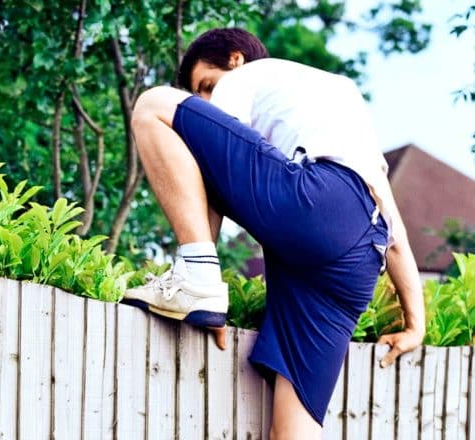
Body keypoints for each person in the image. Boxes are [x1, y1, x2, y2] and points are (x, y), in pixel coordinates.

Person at [122, 28, 425, 438]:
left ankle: (196, 273)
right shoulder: (345, 119)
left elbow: (208, 169)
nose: (207, 101)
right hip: (357, 258)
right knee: (292, 432)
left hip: (315, 203)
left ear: (234, 59)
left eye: (206, 86)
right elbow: (395, 236)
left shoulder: (249, 76)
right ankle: (199, 275)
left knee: (153, 105)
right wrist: (415, 323)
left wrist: (201, 276)